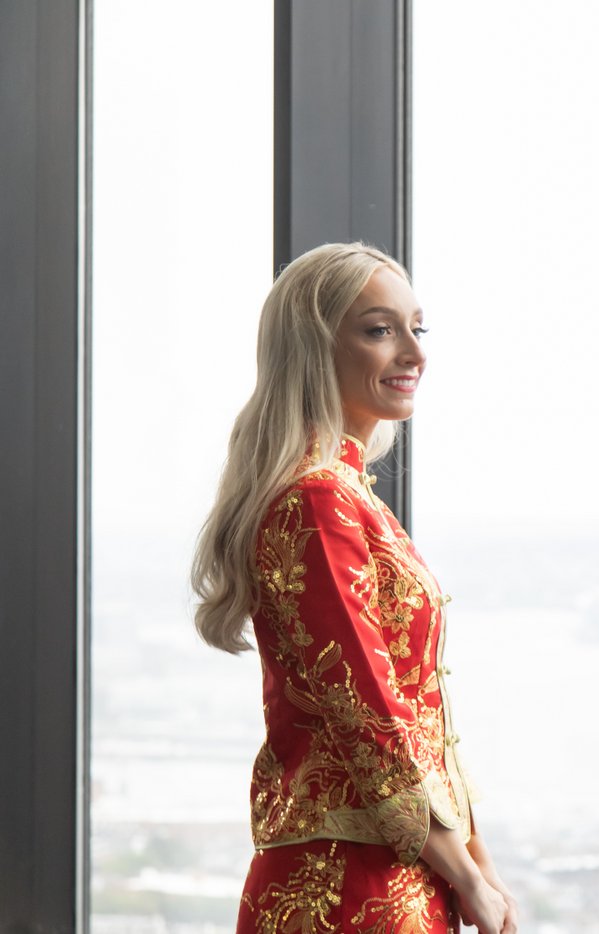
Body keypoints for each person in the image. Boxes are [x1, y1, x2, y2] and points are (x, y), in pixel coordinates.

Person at [190, 242, 518, 933]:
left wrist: (479, 869)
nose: (413, 352)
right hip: (348, 887)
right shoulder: (314, 500)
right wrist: (467, 874)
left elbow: (422, 718)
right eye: (379, 329)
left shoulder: (347, 497)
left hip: (393, 873)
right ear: (314, 349)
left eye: (416, 328)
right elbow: (368, 711)